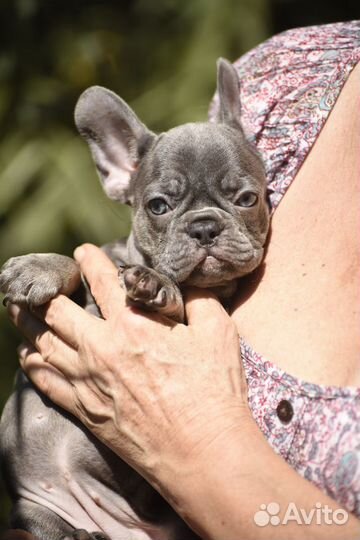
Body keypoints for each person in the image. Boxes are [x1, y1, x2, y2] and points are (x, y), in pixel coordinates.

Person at [4, 20, 360, 539]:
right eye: (164, 206)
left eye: (240, 199)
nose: (205, 229)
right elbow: (90, 275)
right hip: (40, 511)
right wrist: (60, 270)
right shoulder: (296, 79)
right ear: (119, 171)